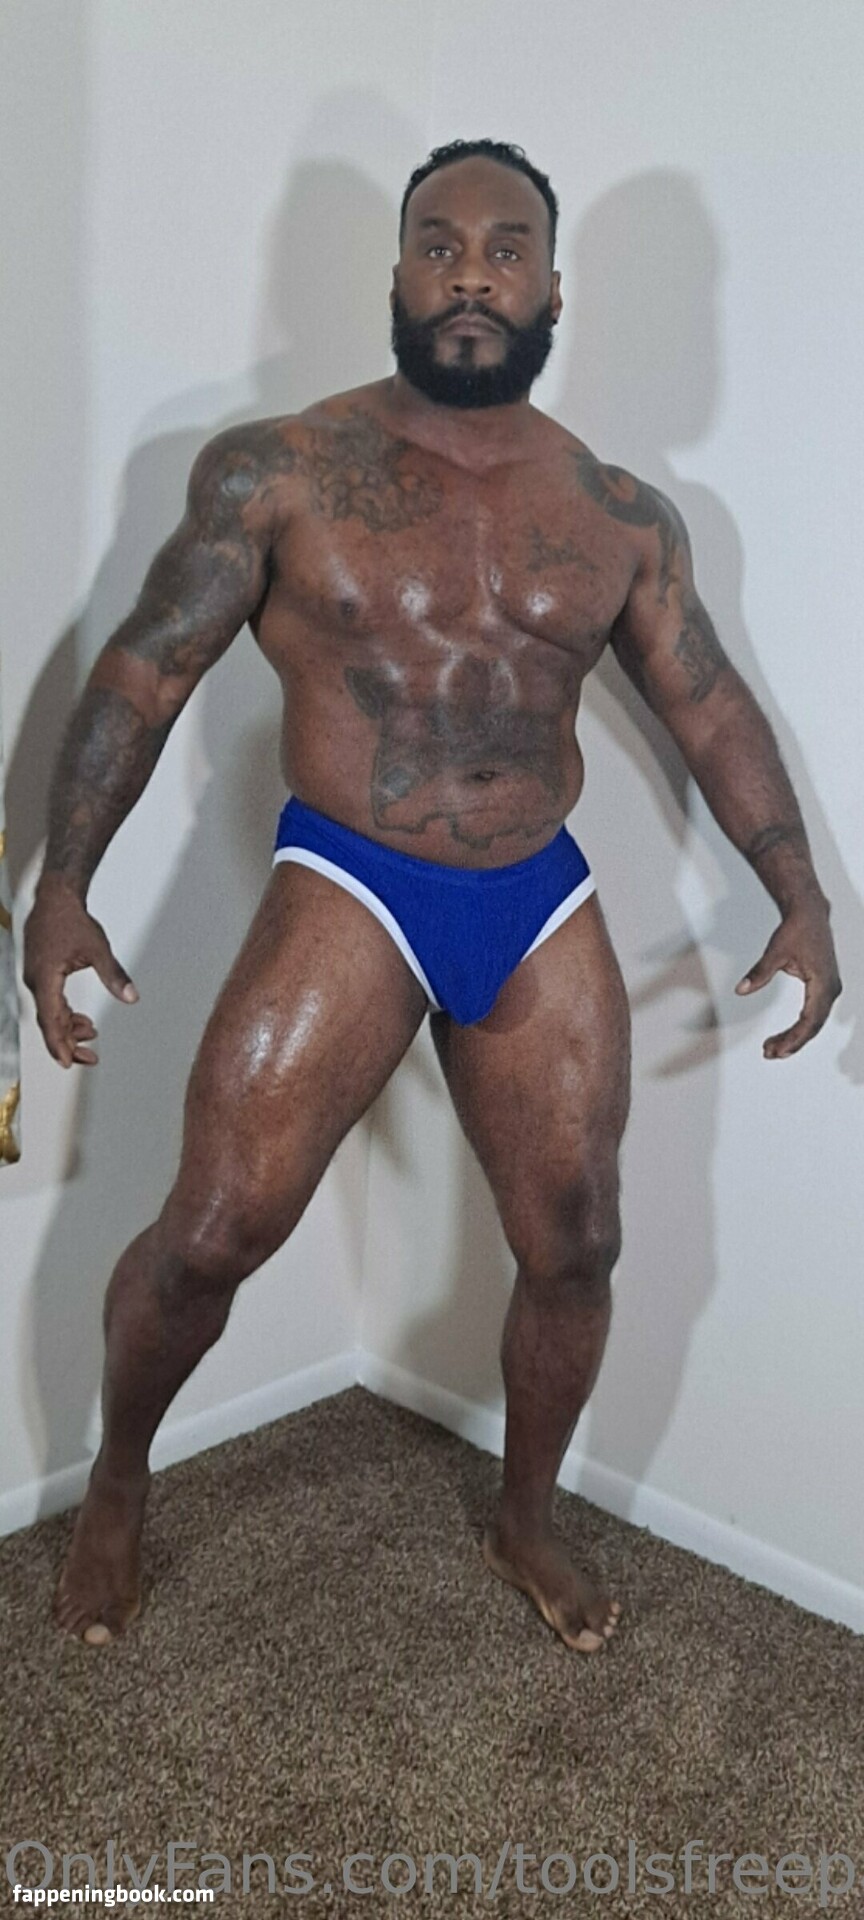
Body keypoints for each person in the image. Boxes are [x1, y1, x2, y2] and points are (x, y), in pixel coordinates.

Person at [24, 139, 841, 1652]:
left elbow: (710, 706)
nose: (472, 274)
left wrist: (800, 893)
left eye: (506, 249)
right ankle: (120, 1482)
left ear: (551, 289)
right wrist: (61, 882)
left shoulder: (621, 513)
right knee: (212, 1231)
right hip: (355, 875)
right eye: (440, 244)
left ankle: (527, 1515)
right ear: (396, 274)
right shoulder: (279, 469)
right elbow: (144, 668)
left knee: (578, 1243)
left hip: (535, 894)